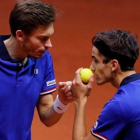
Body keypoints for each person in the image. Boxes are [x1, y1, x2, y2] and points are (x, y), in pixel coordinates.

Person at [0, 0, 74, 139]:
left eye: (50, 37)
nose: (49, 45)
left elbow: (47, 116)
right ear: (20, 35)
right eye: (42, 38)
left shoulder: (43, 59)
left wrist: (62, 102)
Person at [71, 29, 140, 140]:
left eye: (96, 61)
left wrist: (80, 99)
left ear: (113, 65)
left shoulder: (120, 105)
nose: (92, 68)